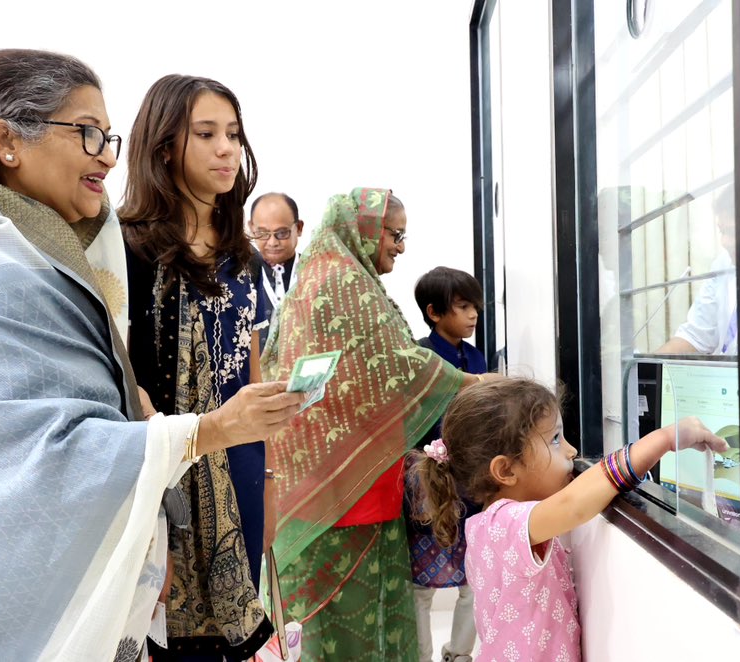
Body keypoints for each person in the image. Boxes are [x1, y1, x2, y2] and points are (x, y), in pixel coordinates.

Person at [0, 49, 303, 662]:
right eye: (88, 133)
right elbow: (46, 450)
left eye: (108, 136)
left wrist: (247, 452)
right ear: (6, 141)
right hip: (20, 548)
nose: (106, 152)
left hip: (206, 464)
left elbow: (101, 400)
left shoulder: (65, 256)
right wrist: (205, 431)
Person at [261, 188, 493, 661]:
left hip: (346, 478)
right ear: (365, 229)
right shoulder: (341, 283)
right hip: (340, 492)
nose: (401, 247)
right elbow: (395, 366)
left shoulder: (331, 278)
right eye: (395, 234)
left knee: (346, 616)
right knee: (345, 617)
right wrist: (476, 383)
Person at [120, 74, 281, 661]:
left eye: (234, 135)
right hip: (160, 474)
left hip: (241, 467)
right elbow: (117, 377)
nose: (226, 150)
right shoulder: (128, 248)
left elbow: (253, 376)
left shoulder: (244, 254)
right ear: (165, 147)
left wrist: (269, 480)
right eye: (207, 134)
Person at [410, 378, 727, 661]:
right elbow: (576, 504)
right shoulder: (506, 524)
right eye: (556, 440)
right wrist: (663, 439)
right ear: (506, 470)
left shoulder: (483, 526)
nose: (573, 451)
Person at [405, 266, 487, 662]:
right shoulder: (419, 357)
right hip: (428, 481)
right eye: (463, 306)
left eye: (475, 306)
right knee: (420, 586)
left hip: (474, 483)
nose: (473, 314)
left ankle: (459, 653)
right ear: (434, 312)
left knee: (474, 579)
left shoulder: (477, 357)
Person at [656, 185, 737, 355]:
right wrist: (645, 368)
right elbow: (695, 336)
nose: (724, 241)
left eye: (732, 231)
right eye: (722, 231)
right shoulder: (722, 264)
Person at [249, 191, 304, 311]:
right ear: (251, 228)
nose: (272, 243)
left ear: (299, 228)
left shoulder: (316, 271)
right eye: (263, 233)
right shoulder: (240, 275)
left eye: (282, 233)